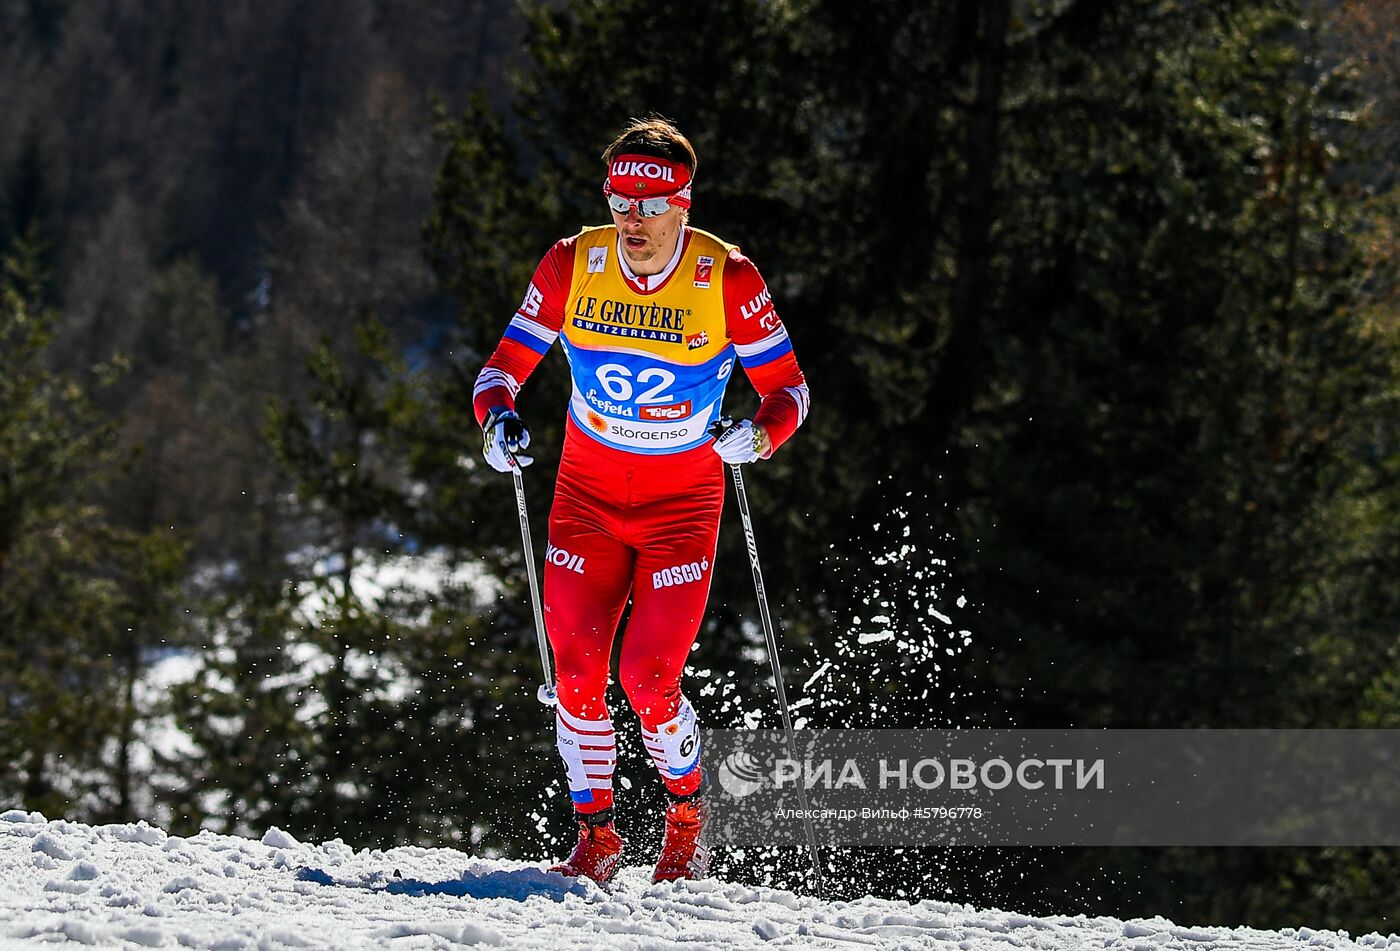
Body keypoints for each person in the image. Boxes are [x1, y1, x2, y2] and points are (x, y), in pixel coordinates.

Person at [472, 117, 810, 885]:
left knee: (649, 679)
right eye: (620, 199)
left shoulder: (726, 278)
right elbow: (499, 373)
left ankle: (687, 818)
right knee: (578, 669)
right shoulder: (573, 264)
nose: (633, 218)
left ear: (683, 206)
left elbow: (789, 389)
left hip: (681, 506)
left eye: (651, 203)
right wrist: (498, 423)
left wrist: (758, 438)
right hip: (586, 497)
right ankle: (597, 835)